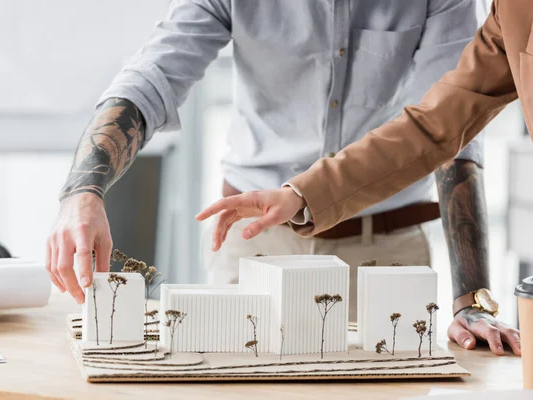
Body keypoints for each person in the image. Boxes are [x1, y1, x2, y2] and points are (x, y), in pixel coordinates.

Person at [46, 0, 513, 355]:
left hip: (387, 257)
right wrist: (82, 190)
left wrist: (471, 297)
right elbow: (152, 76)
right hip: (253, 243)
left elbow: (452, 130)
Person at [197, 0, 528, 355]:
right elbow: (434, 129)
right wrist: (302, 195)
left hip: (389, 243)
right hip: (267, 237)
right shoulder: (513, 11)